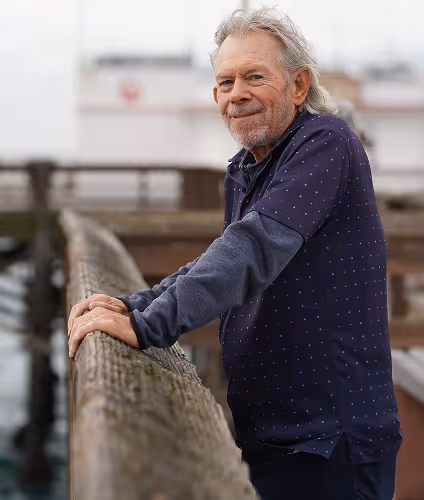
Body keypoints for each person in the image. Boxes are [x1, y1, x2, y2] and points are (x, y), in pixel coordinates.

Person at [68, 8, 402, 499]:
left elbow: (252, 250)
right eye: (225, 82)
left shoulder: (326, 142)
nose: (236, 93)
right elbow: (222, 256)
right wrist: (134, 304)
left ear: (298, 84)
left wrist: (146, 327)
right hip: (273, 438)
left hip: (331, 443)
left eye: (254, 77)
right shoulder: (248, 167)